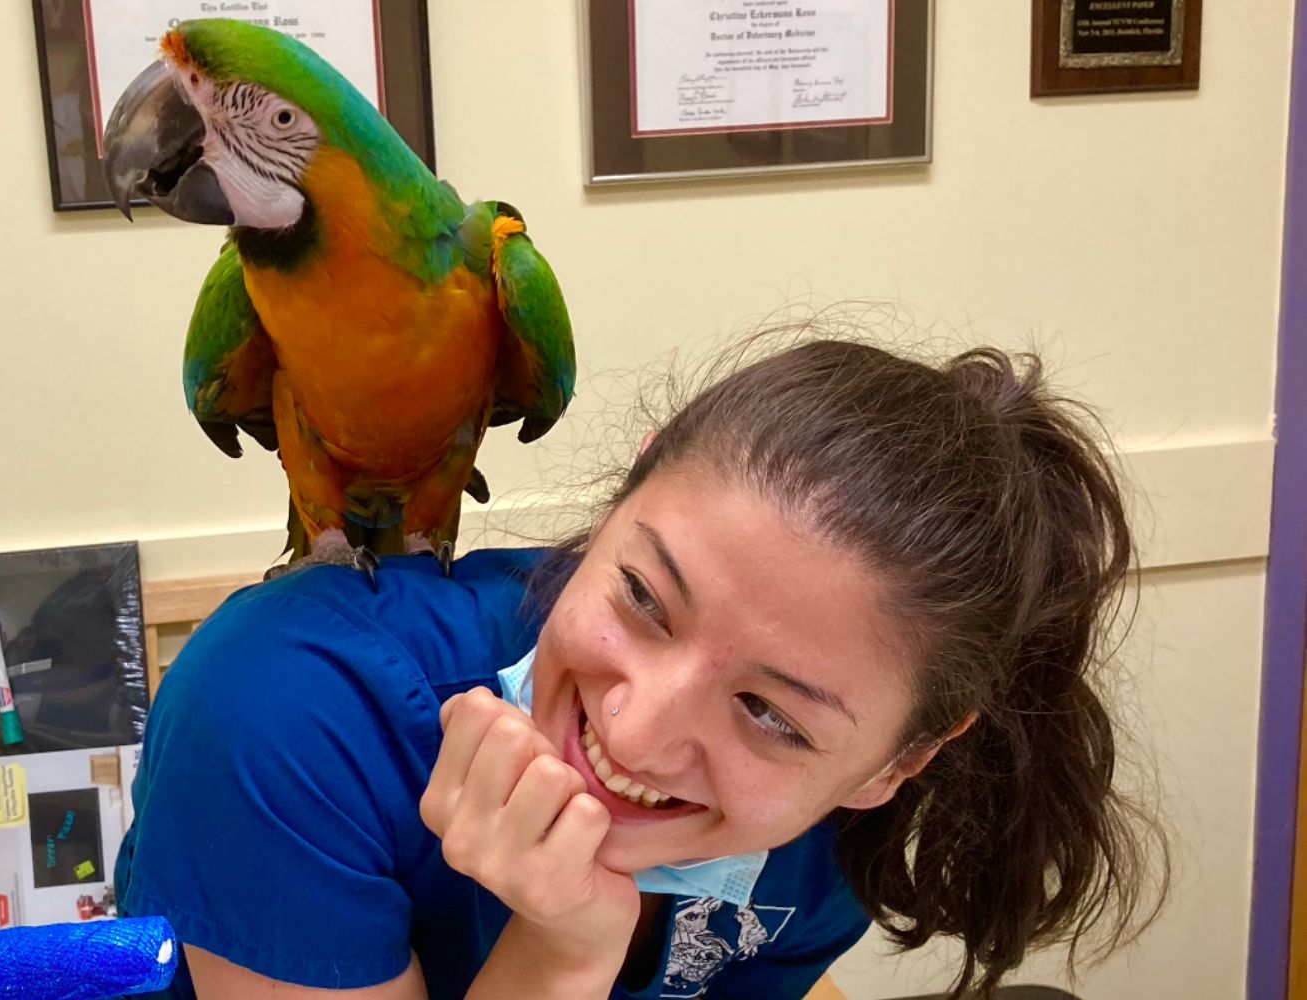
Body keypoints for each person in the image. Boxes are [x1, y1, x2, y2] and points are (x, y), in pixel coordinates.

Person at [116, 336, 1164, 999]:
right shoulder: (288, 709)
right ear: (625, 493)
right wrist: (566, 949)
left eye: (770, 713)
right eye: (645, 599)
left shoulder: (830, 832)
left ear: (901, 762)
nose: (632, 733)